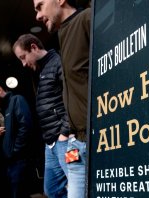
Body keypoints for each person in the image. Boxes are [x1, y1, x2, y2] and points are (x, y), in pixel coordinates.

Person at [33, 0, 91, 197]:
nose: (37, 16)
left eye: (40, 6)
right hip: (75, 143)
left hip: (96, 139)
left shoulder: (87, 19)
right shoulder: (62, 34)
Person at [12, 33, 70, 198]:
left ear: (34, 47)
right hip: (51, 144)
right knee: (52, 191)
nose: (23, 63)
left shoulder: (58, 63)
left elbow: (72, 98)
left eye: (23, 57)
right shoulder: (42, 70)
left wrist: (64, 133)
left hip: (62, 141)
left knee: (79, 187)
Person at [0, 78, 33, 198]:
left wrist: (15, 151)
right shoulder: (4, 108)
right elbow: (15, 129)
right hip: (12, 162)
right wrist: (3, 132)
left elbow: (26, 127)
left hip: (19, 160)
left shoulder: (17, 100)